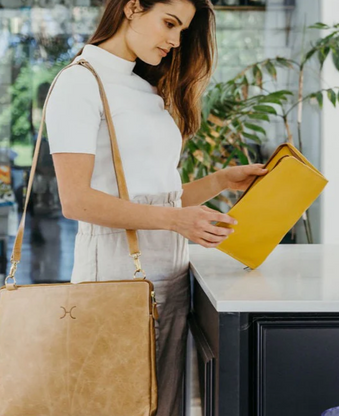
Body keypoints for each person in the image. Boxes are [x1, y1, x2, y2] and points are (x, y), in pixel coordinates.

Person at [45, 0, 268, 415]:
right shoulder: (81, 82)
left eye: (182, 30)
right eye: (169, 23)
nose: (174, 40)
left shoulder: (146, 89)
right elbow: (76, 200)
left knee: (162, 407)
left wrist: (220, 181)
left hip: (169, 276)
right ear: (132, 7)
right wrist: (175, 220)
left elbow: (158, 197)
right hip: (114, 280)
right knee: (118, 405)